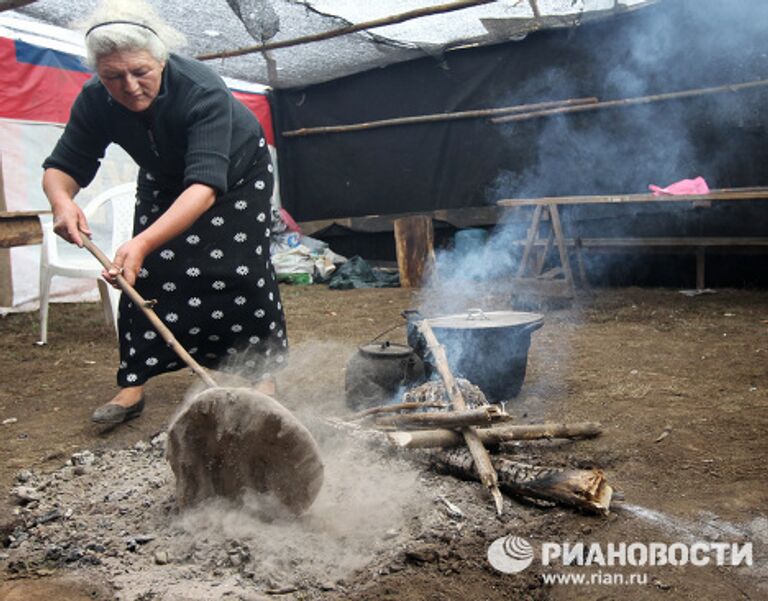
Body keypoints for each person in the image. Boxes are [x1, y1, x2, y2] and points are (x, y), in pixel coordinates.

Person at [42, 0, 287, 424]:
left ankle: (260, 378)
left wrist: (140, 241)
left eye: (141, 72)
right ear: (99, 74)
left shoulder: (201, 90)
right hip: (164, 175)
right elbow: (62, 166)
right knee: (147, 269)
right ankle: (133, 383)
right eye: (114, 76)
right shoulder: (96, 99)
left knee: (239, 270)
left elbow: (205, 186)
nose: (130, 86)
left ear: (161, 58)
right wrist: (63, 202)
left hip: (234, 173)